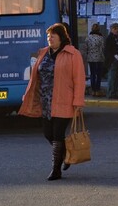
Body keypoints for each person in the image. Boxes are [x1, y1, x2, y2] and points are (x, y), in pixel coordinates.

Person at [18, 23, 85, 181]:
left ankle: (56, 170)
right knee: (48, 134)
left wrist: (78, 102)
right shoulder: (43, 53)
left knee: (57, 134)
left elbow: (79, 79)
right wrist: (28, 95)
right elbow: (36, 77)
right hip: (46, 101)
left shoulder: (73, 54)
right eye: (48, 37)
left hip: (64, 100)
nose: (49, 39)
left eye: (52, 36)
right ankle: (64, 153)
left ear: (61, 37)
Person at [85, 23, 106, 97]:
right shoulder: (100, 38)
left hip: (90, 58)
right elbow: (102, 48)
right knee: (98, 75)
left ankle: (93, 90)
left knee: (92, 74)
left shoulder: (88, 38)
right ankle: (97, 90)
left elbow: (86, 48)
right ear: (98, 29)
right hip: (99, 58)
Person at [104, 23, 118, 99]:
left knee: (117, 77)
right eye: (115, 29)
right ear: (111, 29)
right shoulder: (109, 38)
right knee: (112, 77)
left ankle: (114, 92)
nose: (117, 30)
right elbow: (107, 51)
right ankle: (110, 93)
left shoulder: (117, 37)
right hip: (113, 60)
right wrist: (112, 58)